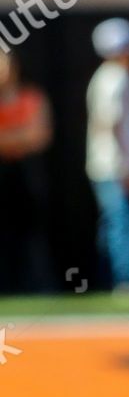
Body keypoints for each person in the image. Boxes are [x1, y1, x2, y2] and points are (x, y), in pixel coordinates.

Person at [87, 18, 129, 292]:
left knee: (114, 224)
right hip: (114, 166)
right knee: (121, 225)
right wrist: (126, 167)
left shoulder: (111, 76)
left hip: (109, 165)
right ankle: (125, 282)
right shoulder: (116, 78)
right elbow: (111, 125)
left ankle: (114, 280)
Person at [0, 51, 53, 294]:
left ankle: (36, 285)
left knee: (32, 234)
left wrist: (11, 138)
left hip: (26, 175)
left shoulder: (31, 97)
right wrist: (21, 135)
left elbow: (39, 136)